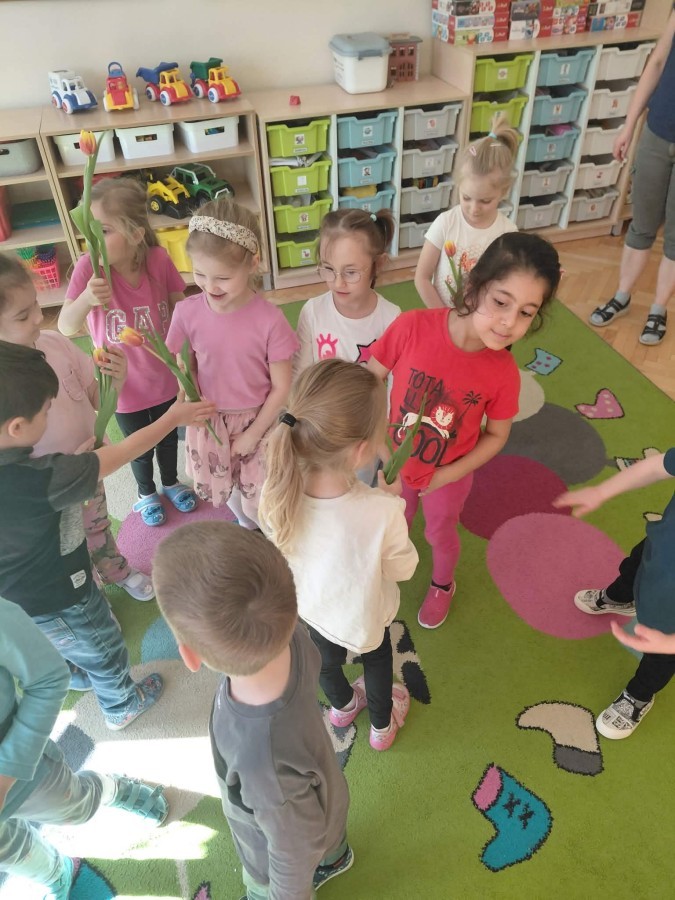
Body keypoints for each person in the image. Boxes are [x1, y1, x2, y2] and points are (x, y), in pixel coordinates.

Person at [0, 340, 215, 730]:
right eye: (46, 411)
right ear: (16, 427)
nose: (49, 416)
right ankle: (120, 705)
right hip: (62, 591)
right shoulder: (42, 478)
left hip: (14, 601)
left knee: (58, 641)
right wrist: (172, 418)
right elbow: (122, 453)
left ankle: (71, 670)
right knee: (104, 646)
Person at [369, 232, 561, 629]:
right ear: (473, 286)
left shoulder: (504, 373)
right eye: (501, 302)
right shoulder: (411, 326)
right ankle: (385, 567)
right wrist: (381, 450)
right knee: (394, 521)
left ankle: (443, 583)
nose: (509, 322)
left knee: (440, 532)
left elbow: (497, 435)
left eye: (526, 312)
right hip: (392, 464)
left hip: (449, 476)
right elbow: (370, 382)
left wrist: (446, 475)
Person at [153, 522, 353, 900]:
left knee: (286, 868)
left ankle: (325, 861)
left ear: (190, 657)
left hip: (269, 852)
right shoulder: (293, 637)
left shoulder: (260, 760)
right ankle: (336, 856)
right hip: (323, 789)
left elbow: (294, 849)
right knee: (327, 836)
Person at [260, 359, 419, 751]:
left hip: (311, 609)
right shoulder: (382, 510)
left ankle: (343, 706)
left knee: (325, 663)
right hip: (364, 616)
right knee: (378, 660)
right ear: (361, 451)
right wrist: (394, 503)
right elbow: (403, 569)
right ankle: (381, 727)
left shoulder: (277, 489)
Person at [0, 253, 154, 603]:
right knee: (67, 547)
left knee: (97, 526)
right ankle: (89, 591)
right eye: (23, 315)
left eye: (35, 304)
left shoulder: (55, 344)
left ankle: (115, 569)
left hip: (89, 468)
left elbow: (97, 398)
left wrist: (117, 380)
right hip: (48, 490)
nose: (38, 317)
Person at [0, 595, 169, 900]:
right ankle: (55, 873)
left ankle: (111, 788)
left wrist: (8, 773)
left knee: (75, 806)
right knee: (11, 852)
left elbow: (49, 677)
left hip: (22, 769)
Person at [59, 177, 198, 527]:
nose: (93, 240)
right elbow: (65, 325)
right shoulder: (87, 268)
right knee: (138, 446)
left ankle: (170, 483)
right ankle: (145, 492)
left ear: (136, 234)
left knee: (168, 437)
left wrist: (188, 355)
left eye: (103, 231)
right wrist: (87, 299)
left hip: (165, 377)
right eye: (90, 231)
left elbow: (180, 308)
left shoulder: (158, 259)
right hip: (121, 386)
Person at [166, 198, 298, 527]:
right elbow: (185, 366)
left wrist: (253, 434)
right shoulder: (186, 312)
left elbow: (282, 387)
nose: (210, 286)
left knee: (263, 500)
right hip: (210, 421)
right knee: (224, 491)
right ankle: (245, 526)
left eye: (222, 277)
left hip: (259, 422)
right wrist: (186, 387)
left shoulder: (270, 320)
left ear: (253, 264)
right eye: (199, 273)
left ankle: (265, 532)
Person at [555, 450, 675, 739]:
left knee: (659, 658)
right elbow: (657, 466)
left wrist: (670, 643)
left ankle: (639, 694)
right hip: (660, 548)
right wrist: (602, 491)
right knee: (635, 565)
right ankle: (620, 598)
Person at [588, 10, 675, 346]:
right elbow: (657, 62)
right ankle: (622, 296)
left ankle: (658, 309)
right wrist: (628, 125)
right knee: (641, 224)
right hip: (657, 133)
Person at [414, 112, 519, 310]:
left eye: (485, 201)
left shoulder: (508, 233)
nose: (474, 208)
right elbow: (422, 277)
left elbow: (509, 285)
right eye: (466, 198)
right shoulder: (446, 222)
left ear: (504, 191)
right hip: (443, 317)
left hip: (483, 319)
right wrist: (445, 317)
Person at [294, 208, 400, 373]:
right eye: (329, 269)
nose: (338, 283)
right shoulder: (312, 312)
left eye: (350, 272)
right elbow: (300, 374)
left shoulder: (392, 319)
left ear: (378, 264)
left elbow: (397, 380)